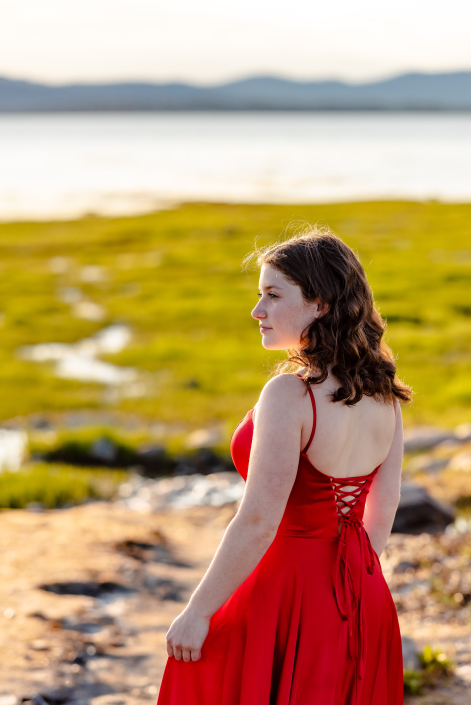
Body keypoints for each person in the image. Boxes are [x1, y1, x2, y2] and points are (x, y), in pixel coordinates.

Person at [157, 227, 411, 705]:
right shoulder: (385, 394)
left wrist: (197, 611)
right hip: (363, 594)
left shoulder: (289, 395)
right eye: (259, 296)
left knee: (204, 668)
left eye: (273, 296)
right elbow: (385, 506)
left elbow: (257, 521)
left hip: (286, 589)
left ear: (320, 304)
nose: (258, 311)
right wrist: (354, 590)